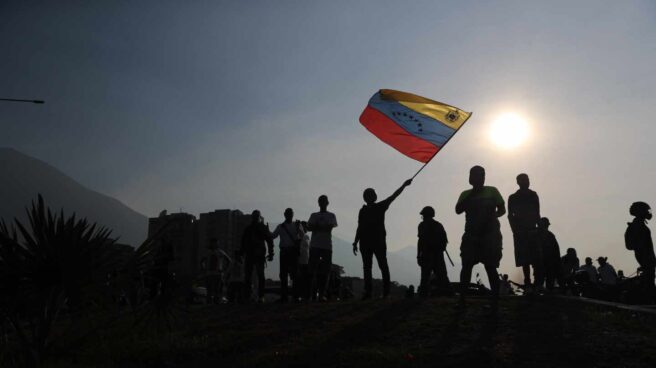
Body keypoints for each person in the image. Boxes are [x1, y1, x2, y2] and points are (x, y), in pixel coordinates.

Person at [352, 179, 412, 299]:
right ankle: (378, 292)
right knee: (377, 266)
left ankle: (379, 292)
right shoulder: (369, 209)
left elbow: (394, 195)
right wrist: (356, 241)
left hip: (373, 241)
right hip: (371, 241)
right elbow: (360, 226)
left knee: (374, 266)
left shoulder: (376, 207)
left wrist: (404, 185)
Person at [455, 165, 506, 297]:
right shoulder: (465, 194)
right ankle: (462, 299)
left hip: (490, 236)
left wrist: (492, 217)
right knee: (466, 266)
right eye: (474, 175)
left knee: (490, 267)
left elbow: (502, 210)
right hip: (471, 236)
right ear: (470, 178)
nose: (478, 177)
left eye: (481, 175)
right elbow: (458, 210)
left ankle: (495, 299)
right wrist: (473, 193)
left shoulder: (492, 191)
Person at [507, 173, 541, 289]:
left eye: (527, 179)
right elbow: (510, 215)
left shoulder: (533, 195)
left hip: (532, 230)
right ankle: (528, 281)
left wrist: (539, 229)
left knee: (536, 258)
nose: (527, 181)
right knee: (524, 259)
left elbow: (537, 213)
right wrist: (515, 230)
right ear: (518, 182)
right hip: (520, 232)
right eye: (524, 180)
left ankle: (537, 282)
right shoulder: (513, 197)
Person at [307, 195, 338, 301]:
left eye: (324, 201)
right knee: (312, 271)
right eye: (321, 201)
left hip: (325, 246)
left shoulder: (331, 215)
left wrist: (316, 227)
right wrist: (322, 227)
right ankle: (312, 294)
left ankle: (320, 294)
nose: (323, 203)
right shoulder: (314, 215)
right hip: (316, 245)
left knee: (324, 271)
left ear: (327, 203)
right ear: (319, 203)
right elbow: (309, 227)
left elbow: (328, 228)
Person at [240, 210, 274, 303]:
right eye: (255, 216)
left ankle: (260, 296)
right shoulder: (249, 229)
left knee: (258, 275)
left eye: (256, 216)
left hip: (258, 255)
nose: (255, 218)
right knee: (249, 276)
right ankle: (249, 296)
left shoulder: (259, 228)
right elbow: (243, 242)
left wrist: (271, 253)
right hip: (251, 254)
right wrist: (241, 253)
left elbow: (269, 240)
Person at [416, 206, 451, 297]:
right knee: (442, 275)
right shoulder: (438, 225)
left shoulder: (422, 225)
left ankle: (424, 294)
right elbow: (445, 241)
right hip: (438, 254)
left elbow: (420, 241)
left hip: (427, 254)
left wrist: (419, 255)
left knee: (425, 276)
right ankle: (446, 294)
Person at [625, 201, 656, 301]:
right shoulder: (639, 226)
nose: (648, 212)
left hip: (647, 261)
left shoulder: (637, 225)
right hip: (647, 261)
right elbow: (640, 246)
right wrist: (648, 261)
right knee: (649, 287)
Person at [271, 208, 303, 303]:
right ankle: (288, 296)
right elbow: (273, 235)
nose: (289, 215)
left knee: (293, 275)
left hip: (290, 252)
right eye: (288, 213)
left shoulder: (294, 225)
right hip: (286, 252)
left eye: (290, 213)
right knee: (285, 275)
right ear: (285, 214)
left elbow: (302, 235)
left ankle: (294, 296)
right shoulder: (281, 226)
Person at [536, 217, 561, 291]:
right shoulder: (535, 235)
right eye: (546, 225)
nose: (547, 226)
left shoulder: (550, 235)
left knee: (549, 279)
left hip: (549, 262)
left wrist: (557, 261)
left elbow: (556, 250)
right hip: (539, 262)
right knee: (539, 279)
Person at [296, 221, 311, 301]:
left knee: (305, 279)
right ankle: (299, 295)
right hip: (300, 260)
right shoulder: (298, 236)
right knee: (299, 279)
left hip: (306, 261)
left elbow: (309, 248)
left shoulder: (307, 237)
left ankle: (304, 295)